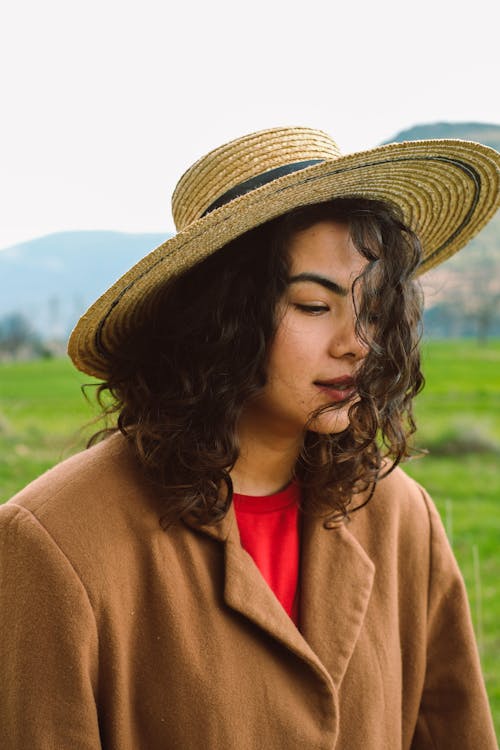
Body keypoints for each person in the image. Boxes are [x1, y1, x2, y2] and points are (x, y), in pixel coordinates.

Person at [0, 127, 498, 749]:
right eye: (315, 306)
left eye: (372, 308)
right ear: (219, 319)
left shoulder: (402, 517)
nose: (358, 343)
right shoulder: (56, 542)